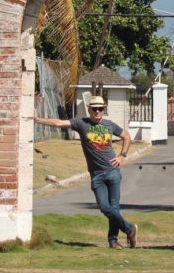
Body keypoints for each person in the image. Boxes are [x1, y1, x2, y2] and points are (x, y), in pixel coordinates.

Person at [34, 95, 138, 249]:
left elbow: (126, 136)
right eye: (94, 109)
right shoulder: (81, 123)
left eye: (100, 109)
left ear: (104, 110)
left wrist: (122, 156)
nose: (97, 112)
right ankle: (129, 229)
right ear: (89, 109)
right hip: (96, 175)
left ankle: (113, 240)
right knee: (104, 207)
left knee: (114, 208)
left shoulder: (110, 125)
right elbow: (58, 123)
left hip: (113, 172)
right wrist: (38, 120)